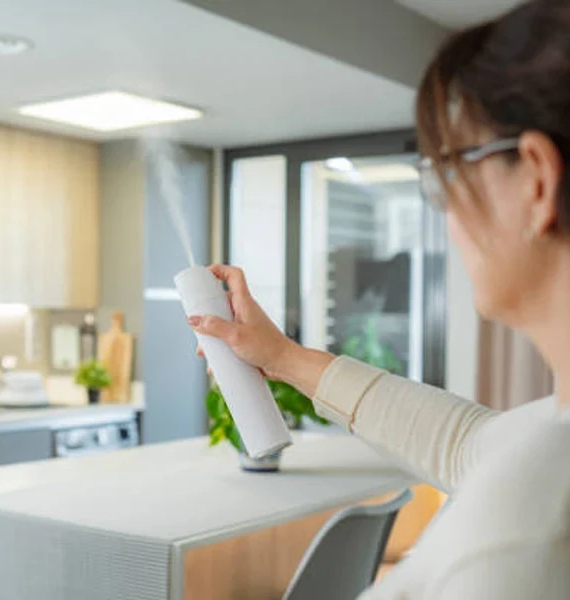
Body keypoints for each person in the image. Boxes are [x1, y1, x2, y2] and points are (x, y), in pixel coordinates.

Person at [188, 1, 570, 598]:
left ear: (536, 180)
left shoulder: (525, 539)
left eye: (449, 171)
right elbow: (469, 441)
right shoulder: (548, 439)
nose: (446, 217)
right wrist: (281, 356)